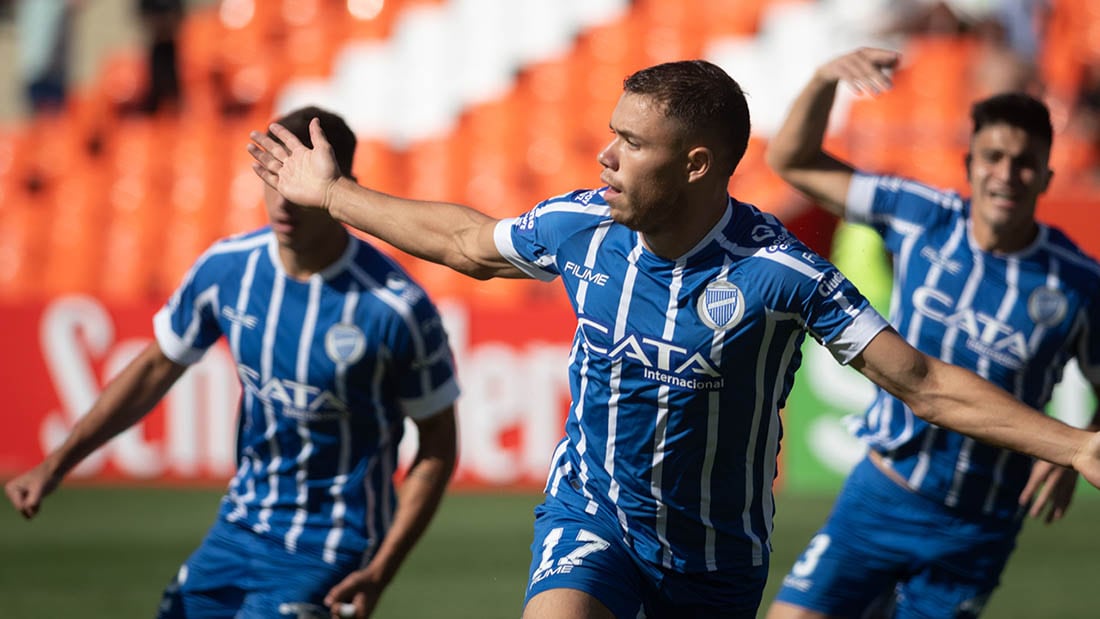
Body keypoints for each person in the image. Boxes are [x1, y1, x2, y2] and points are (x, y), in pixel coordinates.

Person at [246, 61, 1100, 619]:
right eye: (611, 133)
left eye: (630, 141)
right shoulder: (583, 226)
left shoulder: (783, 274)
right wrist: (334, 194)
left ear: (695, 163)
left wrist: (1074, 443)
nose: (605, 155)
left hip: (716, 561)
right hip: (594, 518)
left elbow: (923, 382)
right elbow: (467, 243)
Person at [4, 106, 461, 619]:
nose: (284, 196)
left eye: (302, 178)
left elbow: (439, 444)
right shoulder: (227, 270)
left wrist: (382, 568)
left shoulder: (395, 306)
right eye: (273, 175)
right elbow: (155, 368)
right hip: (237, 529)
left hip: (333, 547)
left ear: (343, 186)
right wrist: (56, 464)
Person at [764, 47, 1100, 618]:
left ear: (1046, 173)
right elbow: (793, 161)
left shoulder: (1077, 283)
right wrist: (824, 79)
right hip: (881, 495)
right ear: (970, 162)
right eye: (993, 156)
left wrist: (1078, 446)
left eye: (1024, 162)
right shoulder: (921, 214)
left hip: (978, 526)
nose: (1007, 174)